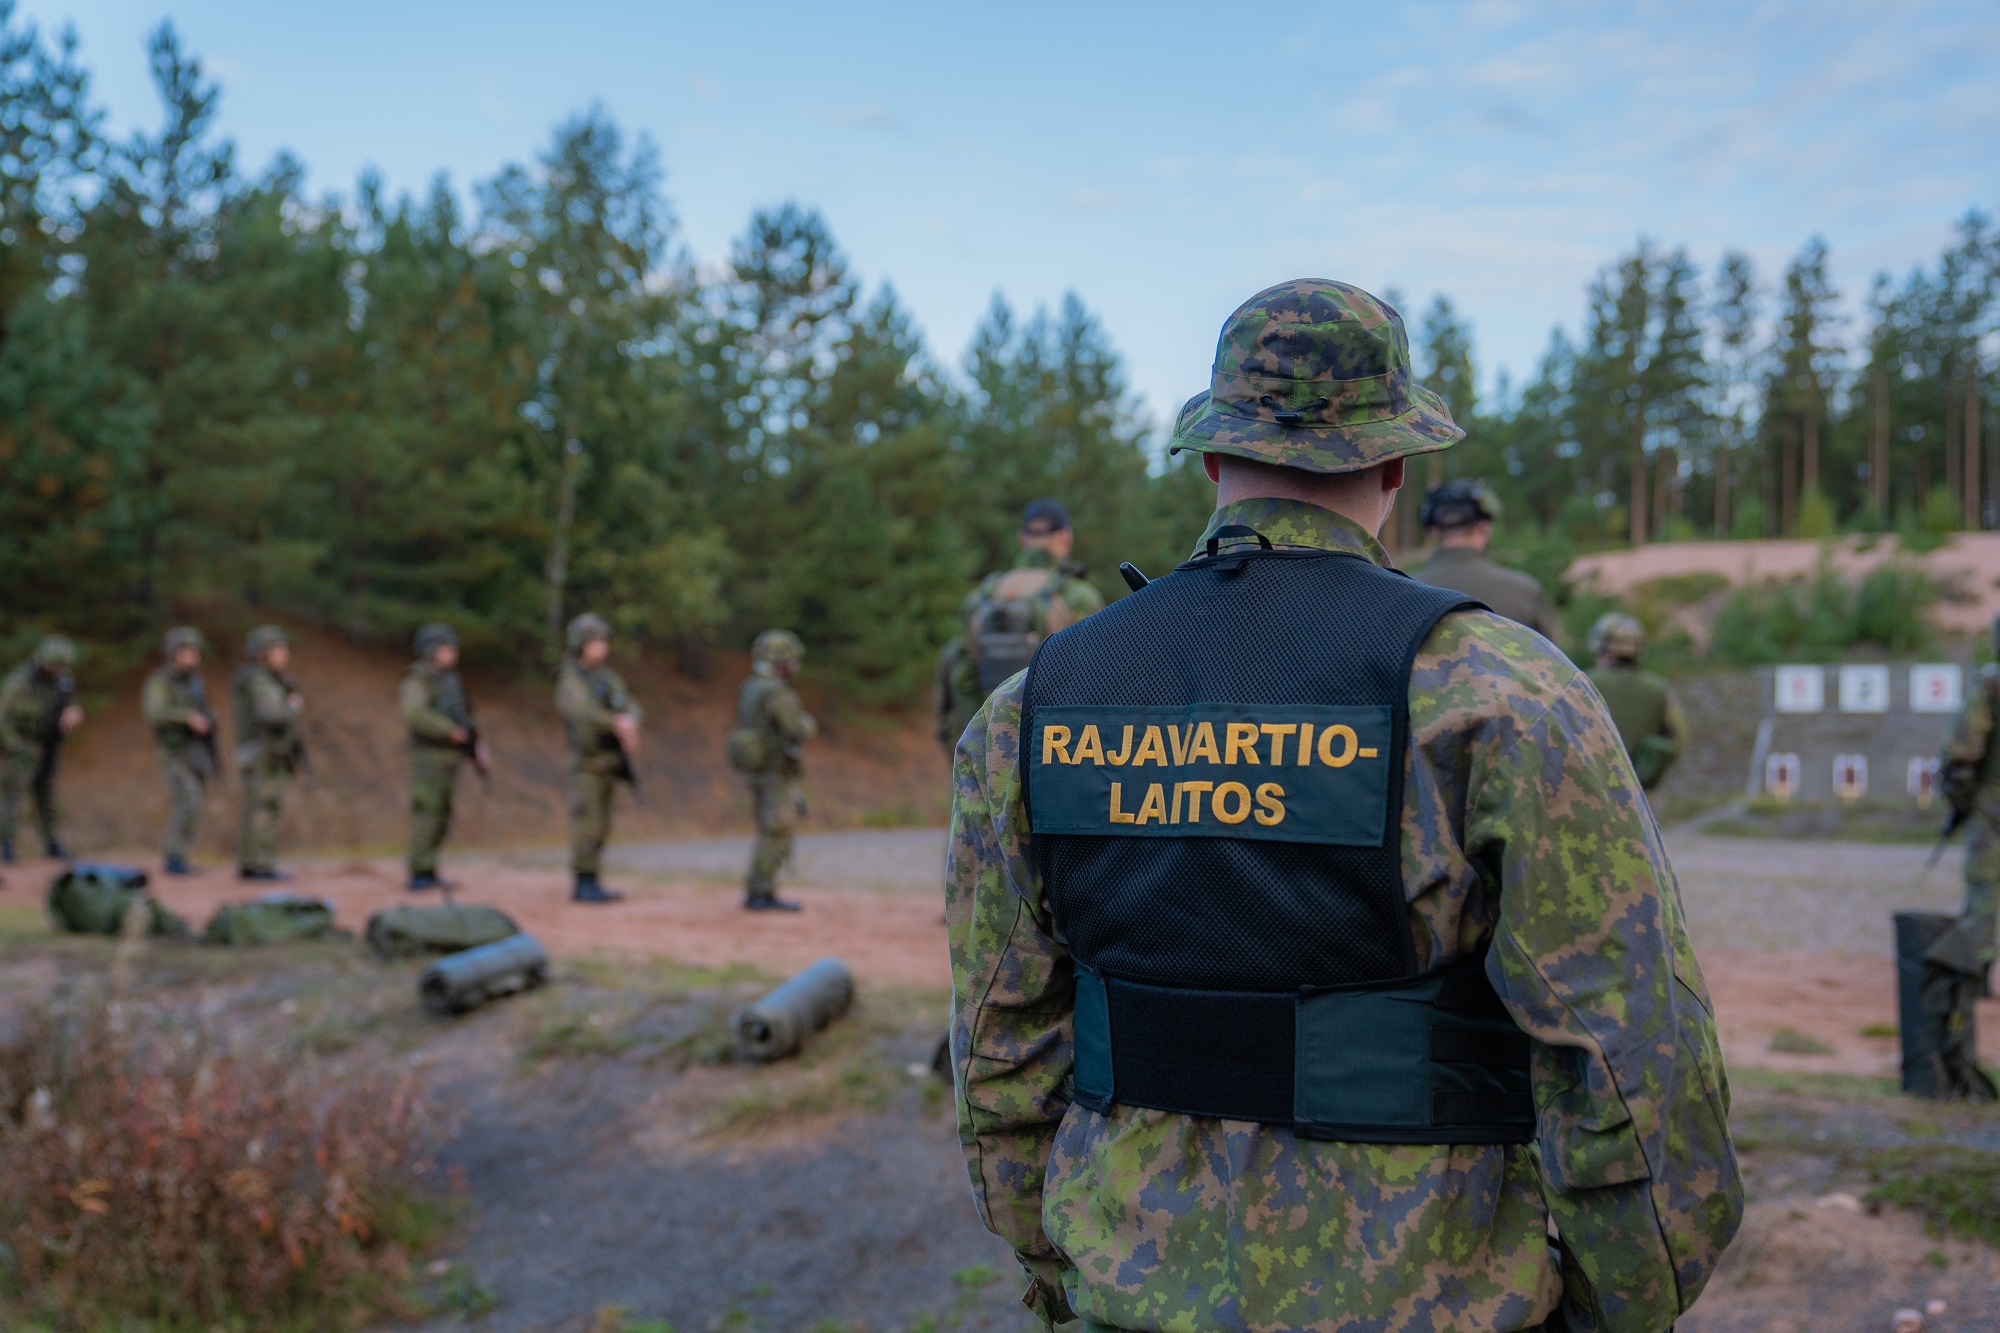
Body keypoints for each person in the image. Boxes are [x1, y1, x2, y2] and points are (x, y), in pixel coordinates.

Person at [946, 279, 1741, 1331]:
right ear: (1393, 468)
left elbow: (999, 1037)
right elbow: (1627, 1048)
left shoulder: (1032, 705)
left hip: (1128, 1286)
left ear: (1214, 457)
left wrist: (1058, 1262)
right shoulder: (1501, 690)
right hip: (1433, 1292)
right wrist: (1618, 1296)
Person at [936, 499, 1104, 757]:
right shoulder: (1079, 596)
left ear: (1022, 538)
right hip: (1052, 752)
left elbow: (959, 671)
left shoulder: (982, 596)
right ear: (1065, 537)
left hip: (987, 749)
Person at [1930, 620, 2000, 1099]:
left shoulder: (1992, 686)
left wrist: (1961, 803)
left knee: (1982, 906)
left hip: (1994, 816)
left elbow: (1961, 753)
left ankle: (1969, 994)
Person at [729, 630, 817, 912]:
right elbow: (796, 728)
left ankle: (761, 889)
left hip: (757, 769)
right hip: (774, 770)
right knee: (777, 830)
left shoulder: (750, 686)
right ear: (780, 661)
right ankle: (760, 891)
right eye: (791, 660)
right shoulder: (776, 691)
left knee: (768, 828)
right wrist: (807, 723)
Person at [555, 612, 640, 904]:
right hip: (587, 764)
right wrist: (615, 723)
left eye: (603, 641)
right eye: (595, 641)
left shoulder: (606, 678)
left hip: (608, 761)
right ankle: (583, 881)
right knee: (587, 823)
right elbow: (582, 714)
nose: (602, 647)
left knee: (602, 823)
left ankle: (594, 879)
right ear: (580, 645)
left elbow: (629, 705)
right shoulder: (571, 680)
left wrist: (629, 723)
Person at [1410, 477, 1560, 639]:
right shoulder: (1525, 592)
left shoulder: (1405, 594)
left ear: (1434, 531)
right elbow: (1552, 661)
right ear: (1484, 527)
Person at [402, 622, 487, 892]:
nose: (452, 653)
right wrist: (448, 731)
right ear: (430, 651)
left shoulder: (450, 682)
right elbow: (415, 714)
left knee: (442, 814)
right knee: (428, 811)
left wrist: (476, 744)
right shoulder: (418, 681)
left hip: (450, 757)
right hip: (430, 756)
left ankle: (430, 866)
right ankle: (419, 870)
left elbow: (467, 716)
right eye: (446, 648)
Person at [142, 626, 219, 874]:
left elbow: (205, 711)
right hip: (173, 750)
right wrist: (185, 717)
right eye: (186, 652)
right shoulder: (160, 682)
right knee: (188, 799)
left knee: (195, 802)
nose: (192, 657)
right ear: (173, 654)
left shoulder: (195, 683)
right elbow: (154, 713)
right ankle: (174, 856)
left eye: (194, 652)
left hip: (195, 751)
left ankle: (181, 854)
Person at [0, 635, 83, 862]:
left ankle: (51, 843)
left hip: (48, 745)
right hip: (22, 745)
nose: (56, 670)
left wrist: (72, 713)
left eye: (60, 666)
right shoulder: (19, 683)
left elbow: (67, 704)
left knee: (46, 795)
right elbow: (3, 719)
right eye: (53, 665)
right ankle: (4, 844)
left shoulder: (62, 682)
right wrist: (17, 746)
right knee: (11, 796)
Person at [1584, 612, 1688, 792]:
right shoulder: (1659, 690)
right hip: (1637, 795)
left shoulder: (1584, 682)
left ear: (1601, 648)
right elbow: (1678, 739)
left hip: (1588, 790)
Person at [232, 625, 305, 881]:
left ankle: (251, 861)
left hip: (257, 751)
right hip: (263, 752)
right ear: (262, 653)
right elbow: (273, 715)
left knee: (257, 807)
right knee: (264, 807)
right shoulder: (260, 681)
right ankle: (260, 864)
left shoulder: (258, 679)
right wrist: (292, 706)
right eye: (277, 649)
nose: (283, 654)